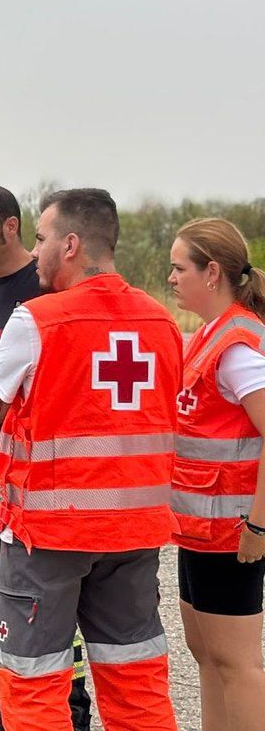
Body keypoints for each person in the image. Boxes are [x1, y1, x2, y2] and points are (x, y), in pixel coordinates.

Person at [0, 189, 181, 731]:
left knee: (35, 684)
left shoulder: (35, 320)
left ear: (69, 244)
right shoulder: (162, 323)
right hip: (135, 533)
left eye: (40, 239)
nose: (36, 251)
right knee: (137, 681)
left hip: (49, 533)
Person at [0, 187, 91, 731]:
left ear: (12, 227)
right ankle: (14, 703)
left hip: (29, 463)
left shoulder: (43, 285)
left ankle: (69, 705)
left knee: (43, 591)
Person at [168, 217, 265, 731]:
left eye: (178, 268)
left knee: (237, 664)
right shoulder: (209, 334)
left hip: (234, 535)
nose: (170, 278)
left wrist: (258, 525)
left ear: (211, 273)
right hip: (201, 532)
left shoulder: (237, 348)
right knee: (206, 654)